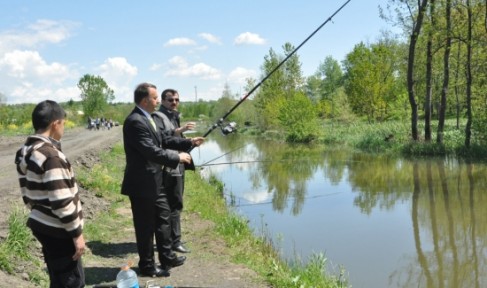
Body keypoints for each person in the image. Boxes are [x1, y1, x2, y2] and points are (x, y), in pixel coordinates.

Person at [121, 83, 202, 277]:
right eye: (155, 98)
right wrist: (177, 157)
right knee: (145, 227)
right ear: (145, 100)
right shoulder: (135, 121)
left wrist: (188, 142)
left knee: (164, 219)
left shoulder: (147, 118)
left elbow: (164, 139)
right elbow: (150, 150)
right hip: (142, 184)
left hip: (156, 181)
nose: (158, 101)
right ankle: (148, 266)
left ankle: (167, 257)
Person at [15, 100, 85, 288]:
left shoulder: (26, 152)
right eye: (63, 123)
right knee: (72, 281)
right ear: (55, 123)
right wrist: (76, 234)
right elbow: (61, 201)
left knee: (58, 278)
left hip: (42, 223)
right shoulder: (51, 156)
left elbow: (26, 192)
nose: (64, 128)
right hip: (58, 228)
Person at [152, 89, 194, 254]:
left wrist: (188, 141)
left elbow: (174, 139)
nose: (174, 102)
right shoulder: (159, 117)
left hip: (178, 164)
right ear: (162, 101)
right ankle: (174, 241)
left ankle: (170, 239)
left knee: (174, 203)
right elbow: (164, 140)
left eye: (176, 99)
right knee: (174, 204)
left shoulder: (173, 115)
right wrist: (186, 140)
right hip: (170, 167)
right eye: (170, 100)